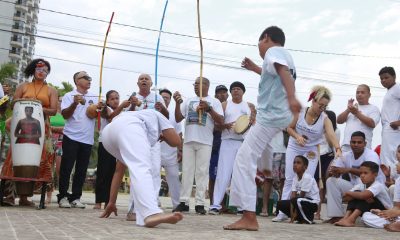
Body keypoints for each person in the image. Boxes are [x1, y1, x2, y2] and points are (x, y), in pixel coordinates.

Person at [223, 26, 301, 231]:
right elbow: (275, 74)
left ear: (266, 38)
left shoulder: (273, 52)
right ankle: (265, 165)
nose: (258, 48)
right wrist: (255, 68)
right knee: (250, 154)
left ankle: (248, 215)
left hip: (271, 116)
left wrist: (293, 98)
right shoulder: (286, 56)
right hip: (279, 116)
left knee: (243, 159)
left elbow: (281, 71)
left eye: (259, 43)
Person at [100, 109, 183, 227]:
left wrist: (112, 202)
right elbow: (176, 141)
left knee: (135, 168)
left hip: (108, 135)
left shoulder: (134, 117)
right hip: (130, 127)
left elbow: (119, 171)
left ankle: (142, 214)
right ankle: (151, 213)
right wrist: (164, 136)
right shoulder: (156, 115)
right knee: (142, 168)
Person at [274, 85, 341, 222]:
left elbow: (330, 133)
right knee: (289, 178)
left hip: (311, 149)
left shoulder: (324, 118)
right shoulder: (300, 112)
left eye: (325, 106)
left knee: (308, 179)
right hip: (295, 146)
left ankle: (303, 212)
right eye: (320, 105)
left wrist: (338, 148)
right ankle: (283, 213)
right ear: (313, 101)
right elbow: (289, 128)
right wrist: (297, 136)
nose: (322, 109)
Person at [1, 58, 58, 207]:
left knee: (41, 159)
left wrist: (37, 106)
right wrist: (25, 103)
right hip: (21, 126)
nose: (42, 72)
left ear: (47, 74)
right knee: (14, 158)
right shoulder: (23, 86)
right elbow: (13, 104)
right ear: (33, 70)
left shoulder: (51, 90)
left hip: (41, 126)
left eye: (45, 70)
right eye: (39, 68)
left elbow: (53, 110)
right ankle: (9, 195)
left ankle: (26, 197)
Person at [173, 77, 224, 214]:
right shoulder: (189, 100)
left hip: (206, 141)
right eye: (194, 84)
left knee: (202, 172)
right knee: (187, 172)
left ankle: (200, 203)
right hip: (189, 140)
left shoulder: (214, 101)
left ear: (206, 85)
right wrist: (177, 104)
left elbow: (220, 120)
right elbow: (178, 118)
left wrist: (209, 109)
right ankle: (183, 202)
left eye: (198, 83)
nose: (195, 86)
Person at [209, 81, 255, 215]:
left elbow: (254, 124)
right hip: (227, 141)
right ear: (231, 92)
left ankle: (241, 207)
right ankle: (216, 205)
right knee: (223, 174)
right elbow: (216, 125)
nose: (236, 91)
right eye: (233, 89)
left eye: (238, 89)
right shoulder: (224, 105)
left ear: (243, 92)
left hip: (243, 143)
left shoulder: (249, 106)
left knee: (240, 175)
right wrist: (224, 126)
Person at [126, 73, 168, 219]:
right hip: (137, 139)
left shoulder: (158, 97)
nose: (144, 80)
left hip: (154, 140)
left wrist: (162, 108)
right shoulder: (132, 96)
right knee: (137, 171)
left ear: (151, 83)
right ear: (137, 83)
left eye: (147, 79)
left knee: (155, 171)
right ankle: (133, 207)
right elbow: (127, 117)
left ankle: (153, 206)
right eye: (141, 79)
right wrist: (132, 104)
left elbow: (166, 117)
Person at [57, 71, 101, 208]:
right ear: (77, 81)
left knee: (81, 170)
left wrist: (100, 108)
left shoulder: (94, 96)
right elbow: (65, 115)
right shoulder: (69, 96)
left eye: (90, 78)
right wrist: (74, 104)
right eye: (85, 78)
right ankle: (63, 196)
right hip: (71, 136)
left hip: (87, 139)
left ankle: (76, 197)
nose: (89, 80)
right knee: (66, 168)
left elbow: (96, 115)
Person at [325, 131, 386, 223]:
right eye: (353, 142)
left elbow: (369, 174)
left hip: (374, 191)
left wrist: (348, 170)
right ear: (350, 143)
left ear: (365, 143)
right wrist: (334, 172)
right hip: (358, 187)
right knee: (331, 181)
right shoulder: (346, 155)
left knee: (360, 190)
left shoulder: (371, 155)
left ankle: (350, 219)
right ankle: (336, 216)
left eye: (359, 142)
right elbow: (333, 171)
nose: (356, 144)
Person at [94, 90, 131, 210]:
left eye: (117, 98)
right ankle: (98, 201)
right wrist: (121, 106)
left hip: (116, 144)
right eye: (113, 98)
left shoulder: (123, 112)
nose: (115, 100)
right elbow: (110, 118)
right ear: (108, 100)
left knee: (112, 173)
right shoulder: (106, 109)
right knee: (102, 172)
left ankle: (109, 201)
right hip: (105, 142)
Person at [334, 161, 392, 227]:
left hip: (384, 210)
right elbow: (345, 198)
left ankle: (351, 220)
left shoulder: (378, 185)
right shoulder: (360, 185)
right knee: (357, 194)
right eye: (360, 173)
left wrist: (348, 192)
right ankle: (346, 218)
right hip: (371, 209)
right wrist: (354, 195)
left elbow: (363, 196)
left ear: (375, 175)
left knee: (365, 196)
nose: (362, 175)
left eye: (365, 173)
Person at [276, 155, 320, 224]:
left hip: (312, 203)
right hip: (300, 202)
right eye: (294, 162)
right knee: (280, 203)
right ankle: (299, 218)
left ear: (305, 167)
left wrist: (294, 202)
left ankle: (308, 219)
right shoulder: (295, 178)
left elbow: (301, 196)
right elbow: (293, 198)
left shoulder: (307, 177)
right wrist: (292, 218)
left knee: (297, 200)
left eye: (298, 163)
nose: (295, 165)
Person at [362, 150, 400, 229]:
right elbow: (397, 207)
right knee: (366, 216)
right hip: (398, 216)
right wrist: (384, 213)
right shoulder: (399, 180)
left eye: (399, 161)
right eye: (397, 161)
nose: (397, 164)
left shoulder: (378, 185)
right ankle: (394, 223)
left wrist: (396, 213)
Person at [337, 84, 380, 152]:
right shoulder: (352, 107)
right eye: (358, 92)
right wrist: (348, 109)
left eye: (362, 92)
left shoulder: (373, 108)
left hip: (363, 147)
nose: (359, 94)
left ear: (369, 95)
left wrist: (357, 113)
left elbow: (372, 123)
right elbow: (339, 121)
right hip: (347, 145)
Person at [314, 110, 340, 220]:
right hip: (317, 156)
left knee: (324, 183)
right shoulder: (317, 128)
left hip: (329, 156)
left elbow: (333, 145)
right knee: (317, 184)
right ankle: (317, 212)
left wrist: (327, 132)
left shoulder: (336, 130)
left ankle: (325, 212)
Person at [159, 88, 183, 209]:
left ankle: (177, 204)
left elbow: (179, 134)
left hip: (171, 153)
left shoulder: (174, 115)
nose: (164, 99)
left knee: (173, 177)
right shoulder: (153, 113)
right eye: (162, 97)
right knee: (153, 177)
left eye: (166, 98)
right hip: (155, 152)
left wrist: (180, 150)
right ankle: (154, 202)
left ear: (169, 100)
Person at [208, 84, 229, 206]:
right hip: (216, 146)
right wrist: (223, 126)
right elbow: (211, 126)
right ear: (215, 95)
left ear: (228, 94)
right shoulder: (211, 107)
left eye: (224, 92)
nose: (221, 95)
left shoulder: (232, 107)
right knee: (214, 176)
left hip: (230, 146)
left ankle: (224, 205)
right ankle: (213, 203)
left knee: (227, 176)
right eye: (219, 93)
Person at [261, 131, 287, 217]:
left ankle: (280, 209)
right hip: (272, 148)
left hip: (286, 150)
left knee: (283, 180)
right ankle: (264, 208)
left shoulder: (291, 117)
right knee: (268, 179)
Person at [379, 67, 400, 166]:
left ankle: (394, 181)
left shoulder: (397, 88)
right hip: (387, 130)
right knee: (386, 158)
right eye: (381, 79)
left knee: (392, 158)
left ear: (394, 77)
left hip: (394, 129)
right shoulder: (390, 91)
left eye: (386, 77)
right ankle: (389, 181)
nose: (383, 80)